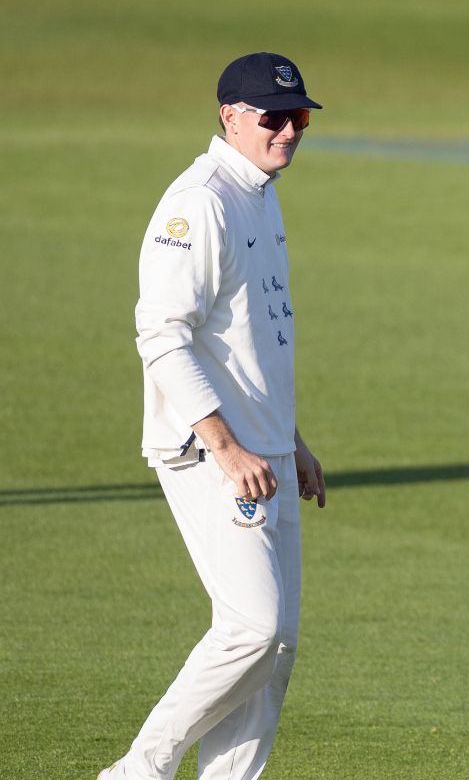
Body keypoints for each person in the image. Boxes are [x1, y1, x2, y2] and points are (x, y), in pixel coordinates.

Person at [106, 51, 328, 780]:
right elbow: (160, 334)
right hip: (211, 451)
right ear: (229, 116)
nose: (289, 130)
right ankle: (140, 769)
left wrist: (291, 441)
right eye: (273, 117)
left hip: (262, 447)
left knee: (278, 645)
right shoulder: (199, 201)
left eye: (297, 117)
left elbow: (256, 338)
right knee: (251, 630)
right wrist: (227, 446)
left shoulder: (260, 191)